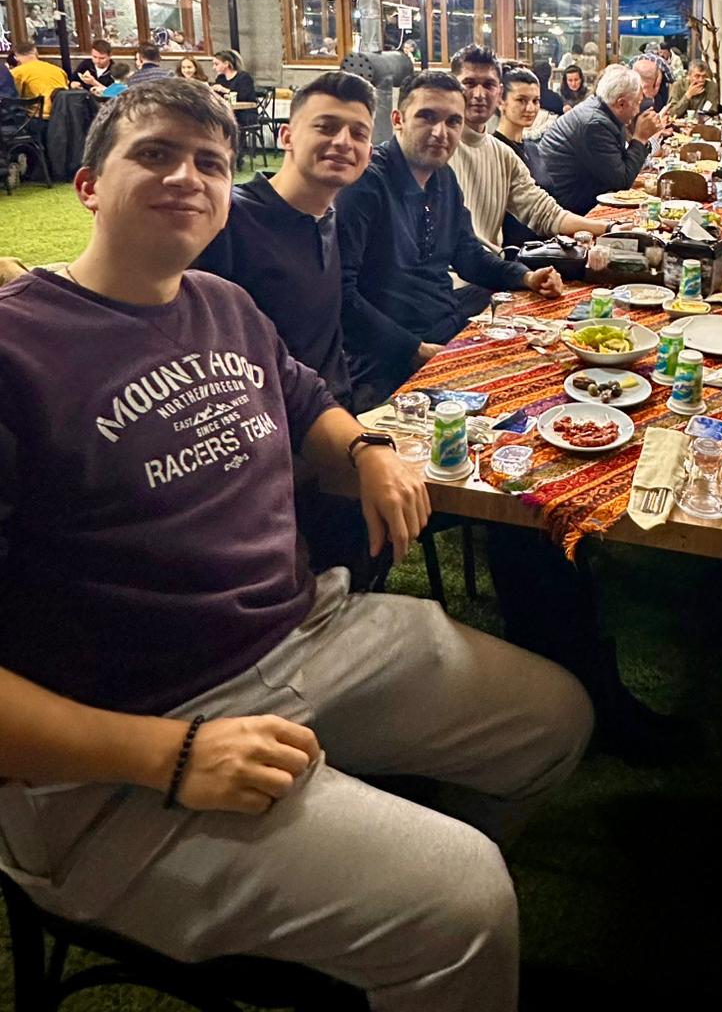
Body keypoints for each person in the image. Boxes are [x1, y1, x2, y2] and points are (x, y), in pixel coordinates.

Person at [0, 78, 592, 1007]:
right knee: (465, 897)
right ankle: (409, 922)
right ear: (87, 185)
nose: (187, 177)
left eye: (209, 162)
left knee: (556, 720)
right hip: (123, 754)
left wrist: (364, 450)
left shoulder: (222, 302)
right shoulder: (18, 352)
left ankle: (373, 933)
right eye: (154, 154)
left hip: (302, 633)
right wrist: (167, 756)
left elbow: (307, 398)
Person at [336, 70, 563, 410]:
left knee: (547, 375)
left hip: (445, 330)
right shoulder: (365, 185)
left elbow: (468, 254)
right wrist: (416, 351)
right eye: (427, 117)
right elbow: (341, 296)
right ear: (398, 120)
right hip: (382, 363)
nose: (440, 132)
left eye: (453, 121)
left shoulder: (443, 177)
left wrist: (526, 277)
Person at [193, 71, 375, 407]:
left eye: (358, 133)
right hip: (262, 419)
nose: (344, 142)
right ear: (286, 137)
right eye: (326, 127)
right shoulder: (227, 218)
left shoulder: (335, 219)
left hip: (334, 408)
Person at [447, 48, 605, 288]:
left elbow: (544, 211)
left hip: (493, 275)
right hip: (454, 284)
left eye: (488, 85)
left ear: (498, 92)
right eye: (469, 83)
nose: (479, 94)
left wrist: (608, 228)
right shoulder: (437, 149)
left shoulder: (502, 154)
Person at [535, 64, 664, 216]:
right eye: (637, 103)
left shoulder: (601, 109)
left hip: (578, 192)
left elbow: (621, 164)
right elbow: (622, 182)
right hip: (567, 204)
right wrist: (640, 138)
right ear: (621, 103)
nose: (637, 111)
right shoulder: (595, 124)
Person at [9, 38, 67, 116]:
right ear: (36, 54)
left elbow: (11, 97)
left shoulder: (17, 72)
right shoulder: (59, 70)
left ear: (16, 58)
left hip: (37, 117)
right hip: (64, 117)